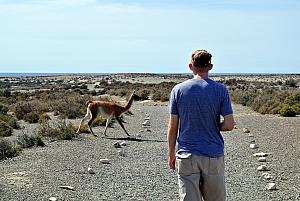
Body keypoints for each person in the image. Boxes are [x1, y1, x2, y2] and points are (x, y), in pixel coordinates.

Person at [167, 49, 234, 201]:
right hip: (213, 154)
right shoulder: (220, 90)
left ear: (191, 66)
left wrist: (171, 153)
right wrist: (213, 125)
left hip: (186, 155)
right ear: (210, 66)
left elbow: (173, 127)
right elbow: (229, 125)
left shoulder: (178, 90)